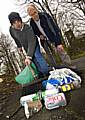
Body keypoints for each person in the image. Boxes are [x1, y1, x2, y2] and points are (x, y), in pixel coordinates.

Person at [27, 3, 74, 67]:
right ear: (30, 15)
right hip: (44, 40)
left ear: (37, 10)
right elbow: (35, 32)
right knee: (49, 55)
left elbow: (54, 28)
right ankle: (56, 68)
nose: (34, 15)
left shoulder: (45, 16)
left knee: (60, 50)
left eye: (35, 13)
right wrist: (39, 35)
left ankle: (71, 66)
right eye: (32, 15)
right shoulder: (31, 23)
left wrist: (58, 43)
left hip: (53, 36)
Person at [8, 12, 49, 78]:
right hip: (26, 46)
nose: (17, 24)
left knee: (37, 55)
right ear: (12, 24)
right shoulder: (11, 30)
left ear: (20, 20)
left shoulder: (28, 28)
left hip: (34, 44)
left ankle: (46, 72)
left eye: (18, 21)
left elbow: (31, 42)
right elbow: (15, 38)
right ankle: (40, 74)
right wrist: (19, 46)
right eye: (14, 23)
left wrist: (28, 56)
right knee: (33, 60)